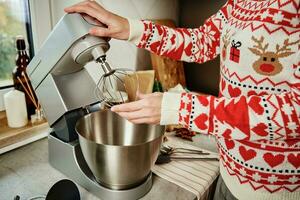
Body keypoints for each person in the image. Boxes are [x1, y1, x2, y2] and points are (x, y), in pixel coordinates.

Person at [65, 0, 300, 199]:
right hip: (229, 175)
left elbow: (294, 111)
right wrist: (129, 28)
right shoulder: (240, 3)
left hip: (277, 190)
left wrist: (182, 109)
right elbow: (202, 42)